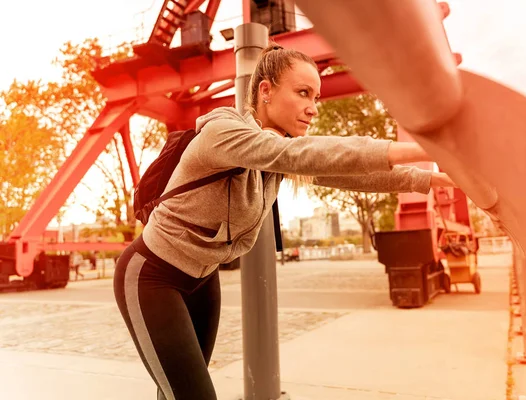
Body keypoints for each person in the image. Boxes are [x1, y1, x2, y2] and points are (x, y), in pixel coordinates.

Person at [113, 43, 457, 399]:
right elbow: (295, 154)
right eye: (303, 93)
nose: (313, 108)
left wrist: (430, 179)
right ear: (266, 90)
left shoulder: (280, 154)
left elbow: (352, 174)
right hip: (151, 276)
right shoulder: (223, 131)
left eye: (317, 98)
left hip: (202, 282)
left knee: (177, 391)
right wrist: (428, 147)